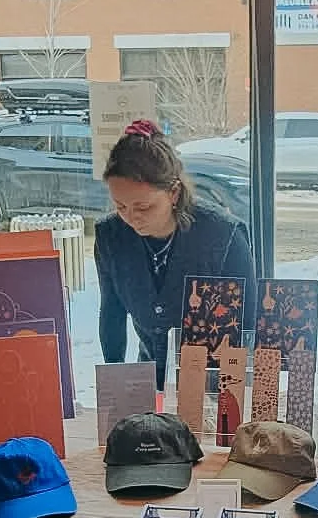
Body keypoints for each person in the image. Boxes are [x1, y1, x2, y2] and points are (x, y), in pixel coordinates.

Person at [95, 120, 252, 386]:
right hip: (148, 379)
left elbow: (246, 325)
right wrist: (116, 385)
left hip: (214, 383)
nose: (131, 218)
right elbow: (112, 312)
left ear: (174, 193)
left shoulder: (223, 236)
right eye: (120, 206)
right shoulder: (112, 236)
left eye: (143, 207)